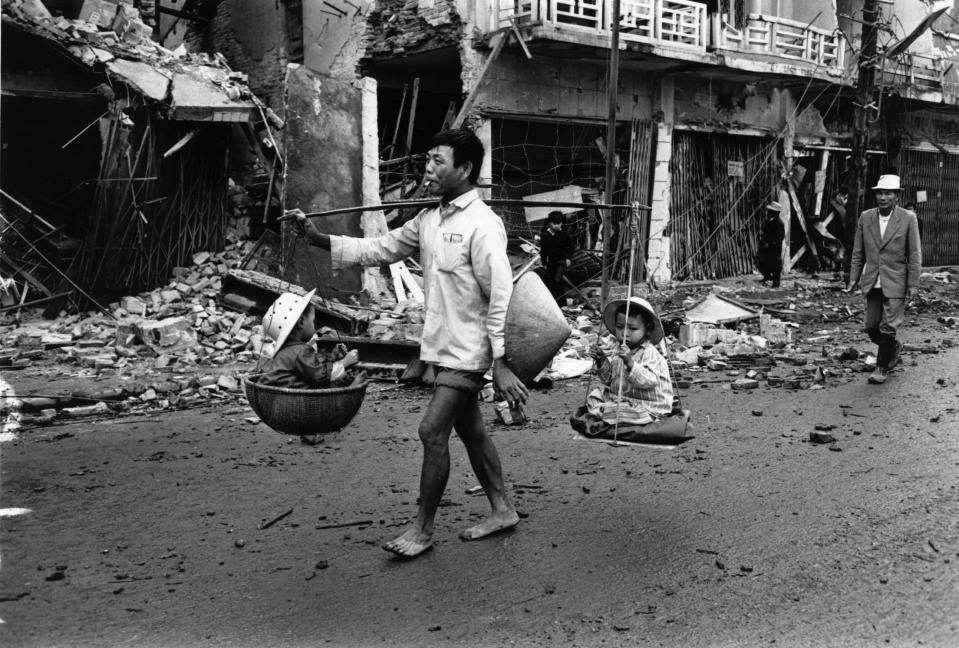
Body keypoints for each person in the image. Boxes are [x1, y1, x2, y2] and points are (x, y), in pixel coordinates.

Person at [288, 128, 528, 558]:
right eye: (427, 160)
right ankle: (502, 508)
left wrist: (501, 360)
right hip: (442, 346)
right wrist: (317, 239)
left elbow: (501, 296)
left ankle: (422, 528)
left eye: (438, 161)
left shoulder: (482, 225)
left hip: (470, 350)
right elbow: (381, 248)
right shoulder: (429, 219)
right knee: (470, 429)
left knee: (431, 430)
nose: (428, 169)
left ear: (465, 169)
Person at [845, 174, 922, 385]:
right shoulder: (866, 217)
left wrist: (913, 284)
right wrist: (853, 278)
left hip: (896, 280)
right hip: (872, 280)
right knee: (871, 326)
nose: (883, 197)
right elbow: (858, 252)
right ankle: (893, 347)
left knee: (888, 326)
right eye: (879, 193)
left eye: (888, 193)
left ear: (896, 196)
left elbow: (914, 254)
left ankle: (881, 368)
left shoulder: (907, 218)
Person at [584, 296, 674, 427]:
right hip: (623, 399)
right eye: (620, 327)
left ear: (647, 329)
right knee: (594, 396)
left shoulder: (649, 352)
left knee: (623, 411)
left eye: (632, 329)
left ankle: (605, 416)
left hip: (647, 406)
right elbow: (610, 380)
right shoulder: (618, 348)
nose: (625, 333)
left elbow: (649, 381)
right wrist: (601, 359)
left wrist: (630, 363)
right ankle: (606, 414)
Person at [258, 289, 362, 389]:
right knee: (320, 386)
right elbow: (320, 376)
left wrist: (332, 357)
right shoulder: (301, 351)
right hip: (292, 398)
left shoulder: (286, 351)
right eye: (313, 321)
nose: (315, 325)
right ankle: (349, 390)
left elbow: (311, 367)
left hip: (274, 394)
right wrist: (344, 362)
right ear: (301, 322)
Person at [539, 210, 574, 301]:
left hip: (561, 261)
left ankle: (562, 302)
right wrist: (544, 262)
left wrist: (568, 258)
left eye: (559, 223)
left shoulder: (564, 235)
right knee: (549, 281)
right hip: (551, 261)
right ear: (550, 223)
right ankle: (553, 301)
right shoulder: (545, 235)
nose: (558, 226)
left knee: (558, 280)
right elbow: (543, 251)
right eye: (555, 223)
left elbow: (571, 247)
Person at [756, 201, 785, 287]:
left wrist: (770, 244)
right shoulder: (768, 221)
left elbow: (780, 238)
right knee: (764, 262)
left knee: (776, 266)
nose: (768, 212)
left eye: (770, 211)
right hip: (766, 246)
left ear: (776, 213)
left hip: (774, 248)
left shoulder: (779, 223)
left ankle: (776, 284)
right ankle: (767, 276)